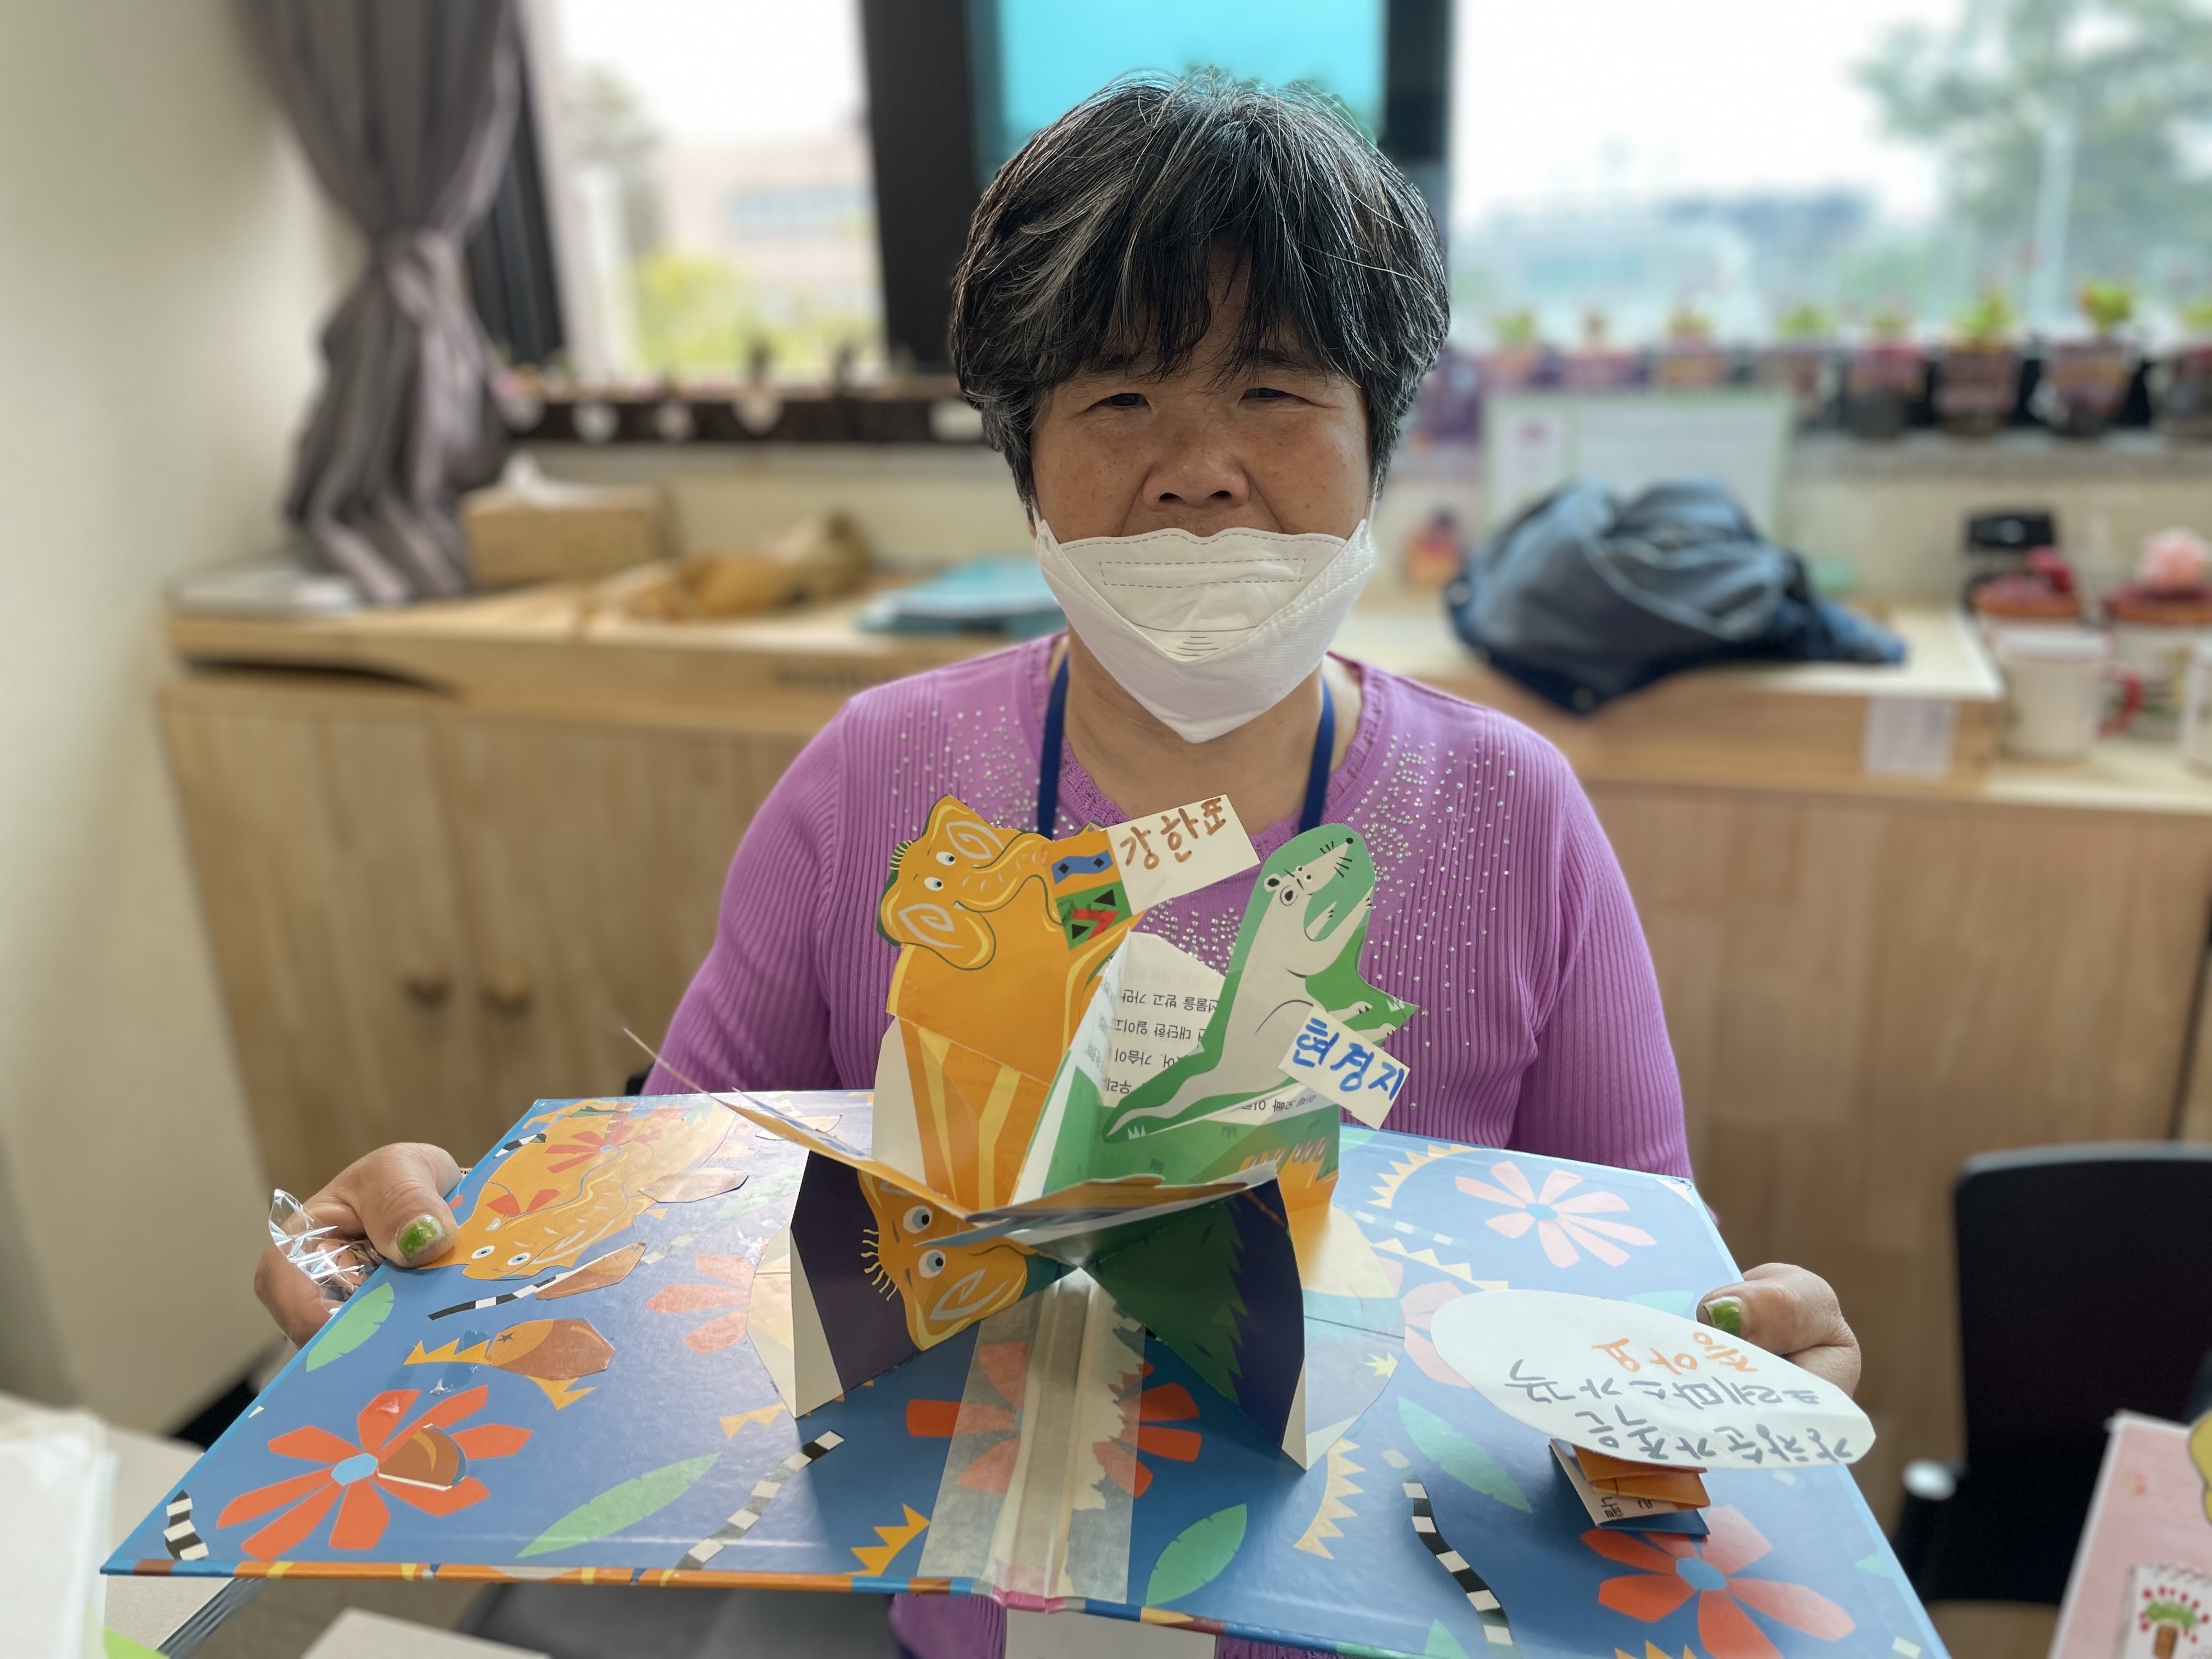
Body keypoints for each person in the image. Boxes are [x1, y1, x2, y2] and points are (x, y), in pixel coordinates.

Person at [257, 74, 1858, 1659]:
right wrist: (437, 1266)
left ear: (1382, 433)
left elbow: (1626, 1297)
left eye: (1274, 389)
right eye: (1119, 398)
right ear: (1022, 453)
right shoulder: (874, 781)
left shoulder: (1514, 816)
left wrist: (1728, 1364)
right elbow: (669, 1231)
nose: (1200, 465)